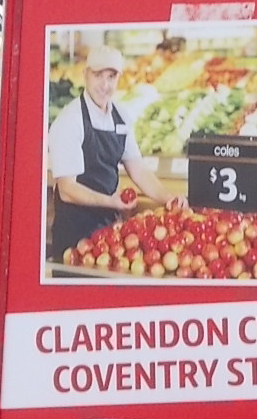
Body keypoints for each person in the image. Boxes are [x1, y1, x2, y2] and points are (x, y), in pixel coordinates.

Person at [47, 44, 174, 261]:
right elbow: (67, 189)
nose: (105, 85)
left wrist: (168, 198)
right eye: (98, 75)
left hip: (106, 232)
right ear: (86, 75)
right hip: (74, 232)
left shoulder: (121, 117)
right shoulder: (70, 121)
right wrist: (112, 202)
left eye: (112, 76)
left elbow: (139, 170)